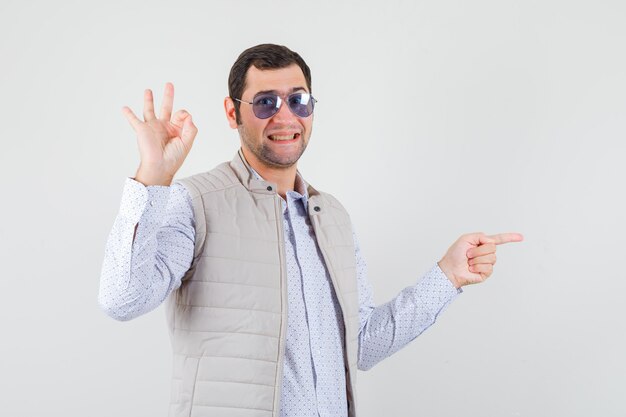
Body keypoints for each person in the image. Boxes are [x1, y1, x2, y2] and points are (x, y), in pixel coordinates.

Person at [99, 43, 523, 417]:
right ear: (233, 112)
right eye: (265, 102)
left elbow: (363, 345)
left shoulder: (331, 216)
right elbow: (122, 299)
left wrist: (447, 276)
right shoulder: (194, 202)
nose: (285, 116)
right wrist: (152, 177)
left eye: (298, 100)